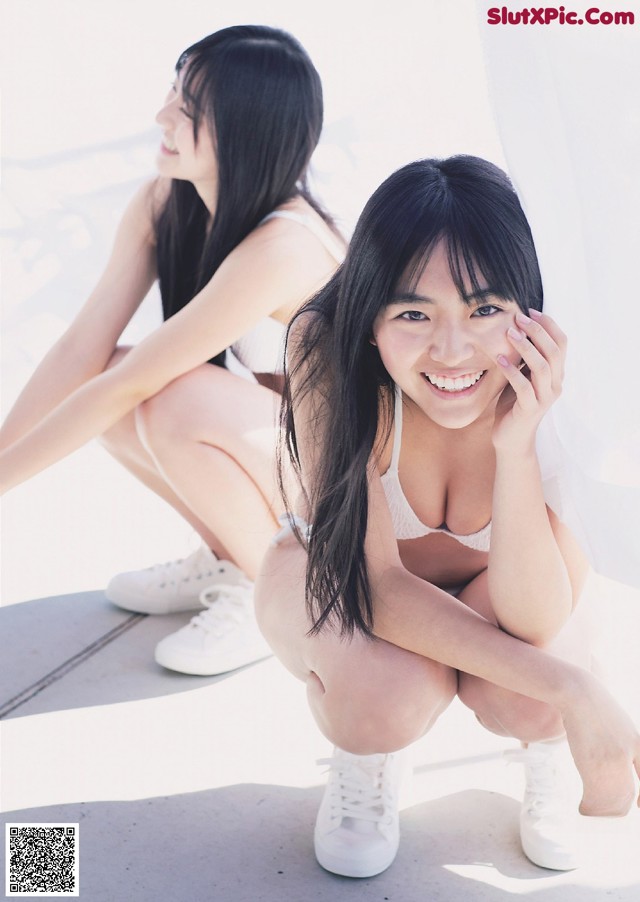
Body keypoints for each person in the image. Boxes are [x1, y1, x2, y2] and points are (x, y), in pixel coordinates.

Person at [255, 156, 640, 878]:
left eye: (486, 309)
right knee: (383, 702)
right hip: (351, 579)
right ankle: (367, 762)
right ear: (369, 318)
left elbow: (532, 617)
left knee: (530, 700)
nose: (453, 349)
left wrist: (517, 445)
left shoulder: (568, 375)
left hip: (506, 596)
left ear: (526, 309)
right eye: (412, 313)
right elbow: (372, 583)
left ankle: (546, 751)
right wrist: (578, 689)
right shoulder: (329, 353)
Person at [0, 25, 344, 675]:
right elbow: (84, 350)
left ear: (246, 132)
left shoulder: (284, 245)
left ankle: (277, 593)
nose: (162, 114)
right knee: (116, 370)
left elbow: (136, 385)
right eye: (173, 91)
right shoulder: (170, 199)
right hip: (291, 464)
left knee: (169, 393)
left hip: (357, 492)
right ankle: (232, 557)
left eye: (189, 109)